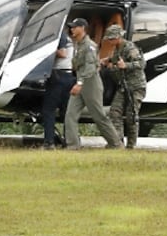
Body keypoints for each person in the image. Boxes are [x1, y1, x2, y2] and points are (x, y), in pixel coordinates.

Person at [63, 17, 122, 149]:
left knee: (99, 116)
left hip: (90, 83)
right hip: (81, 81)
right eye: (71, 27)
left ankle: (115, 143)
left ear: (82, 28)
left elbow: (90, 67)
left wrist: (79, 83)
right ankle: (73, 146)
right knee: (70, 115)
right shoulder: (78, 44)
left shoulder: (89, 46)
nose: (72, 29)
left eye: (74, 27)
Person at [101, 24, 146, 149]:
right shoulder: (117, 48)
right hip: (123, 86)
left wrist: (126, 65)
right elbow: (115, 59)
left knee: (131, 115)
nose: (109, 41)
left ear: (118, 37)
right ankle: (117, 142)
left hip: (135, 86)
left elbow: (141, 63)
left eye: (111, 39)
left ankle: (131, 145)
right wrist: (108, 60)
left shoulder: (130, 47)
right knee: (115, 112)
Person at [39, 27, 75, 149]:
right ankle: (69, 141)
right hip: (69, 75)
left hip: (58, 75)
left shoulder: (60, 35)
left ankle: (49, 142)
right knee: (66, 112)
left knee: (48, 110)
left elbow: (62, 53)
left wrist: (45, 50)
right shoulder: (70, 39)